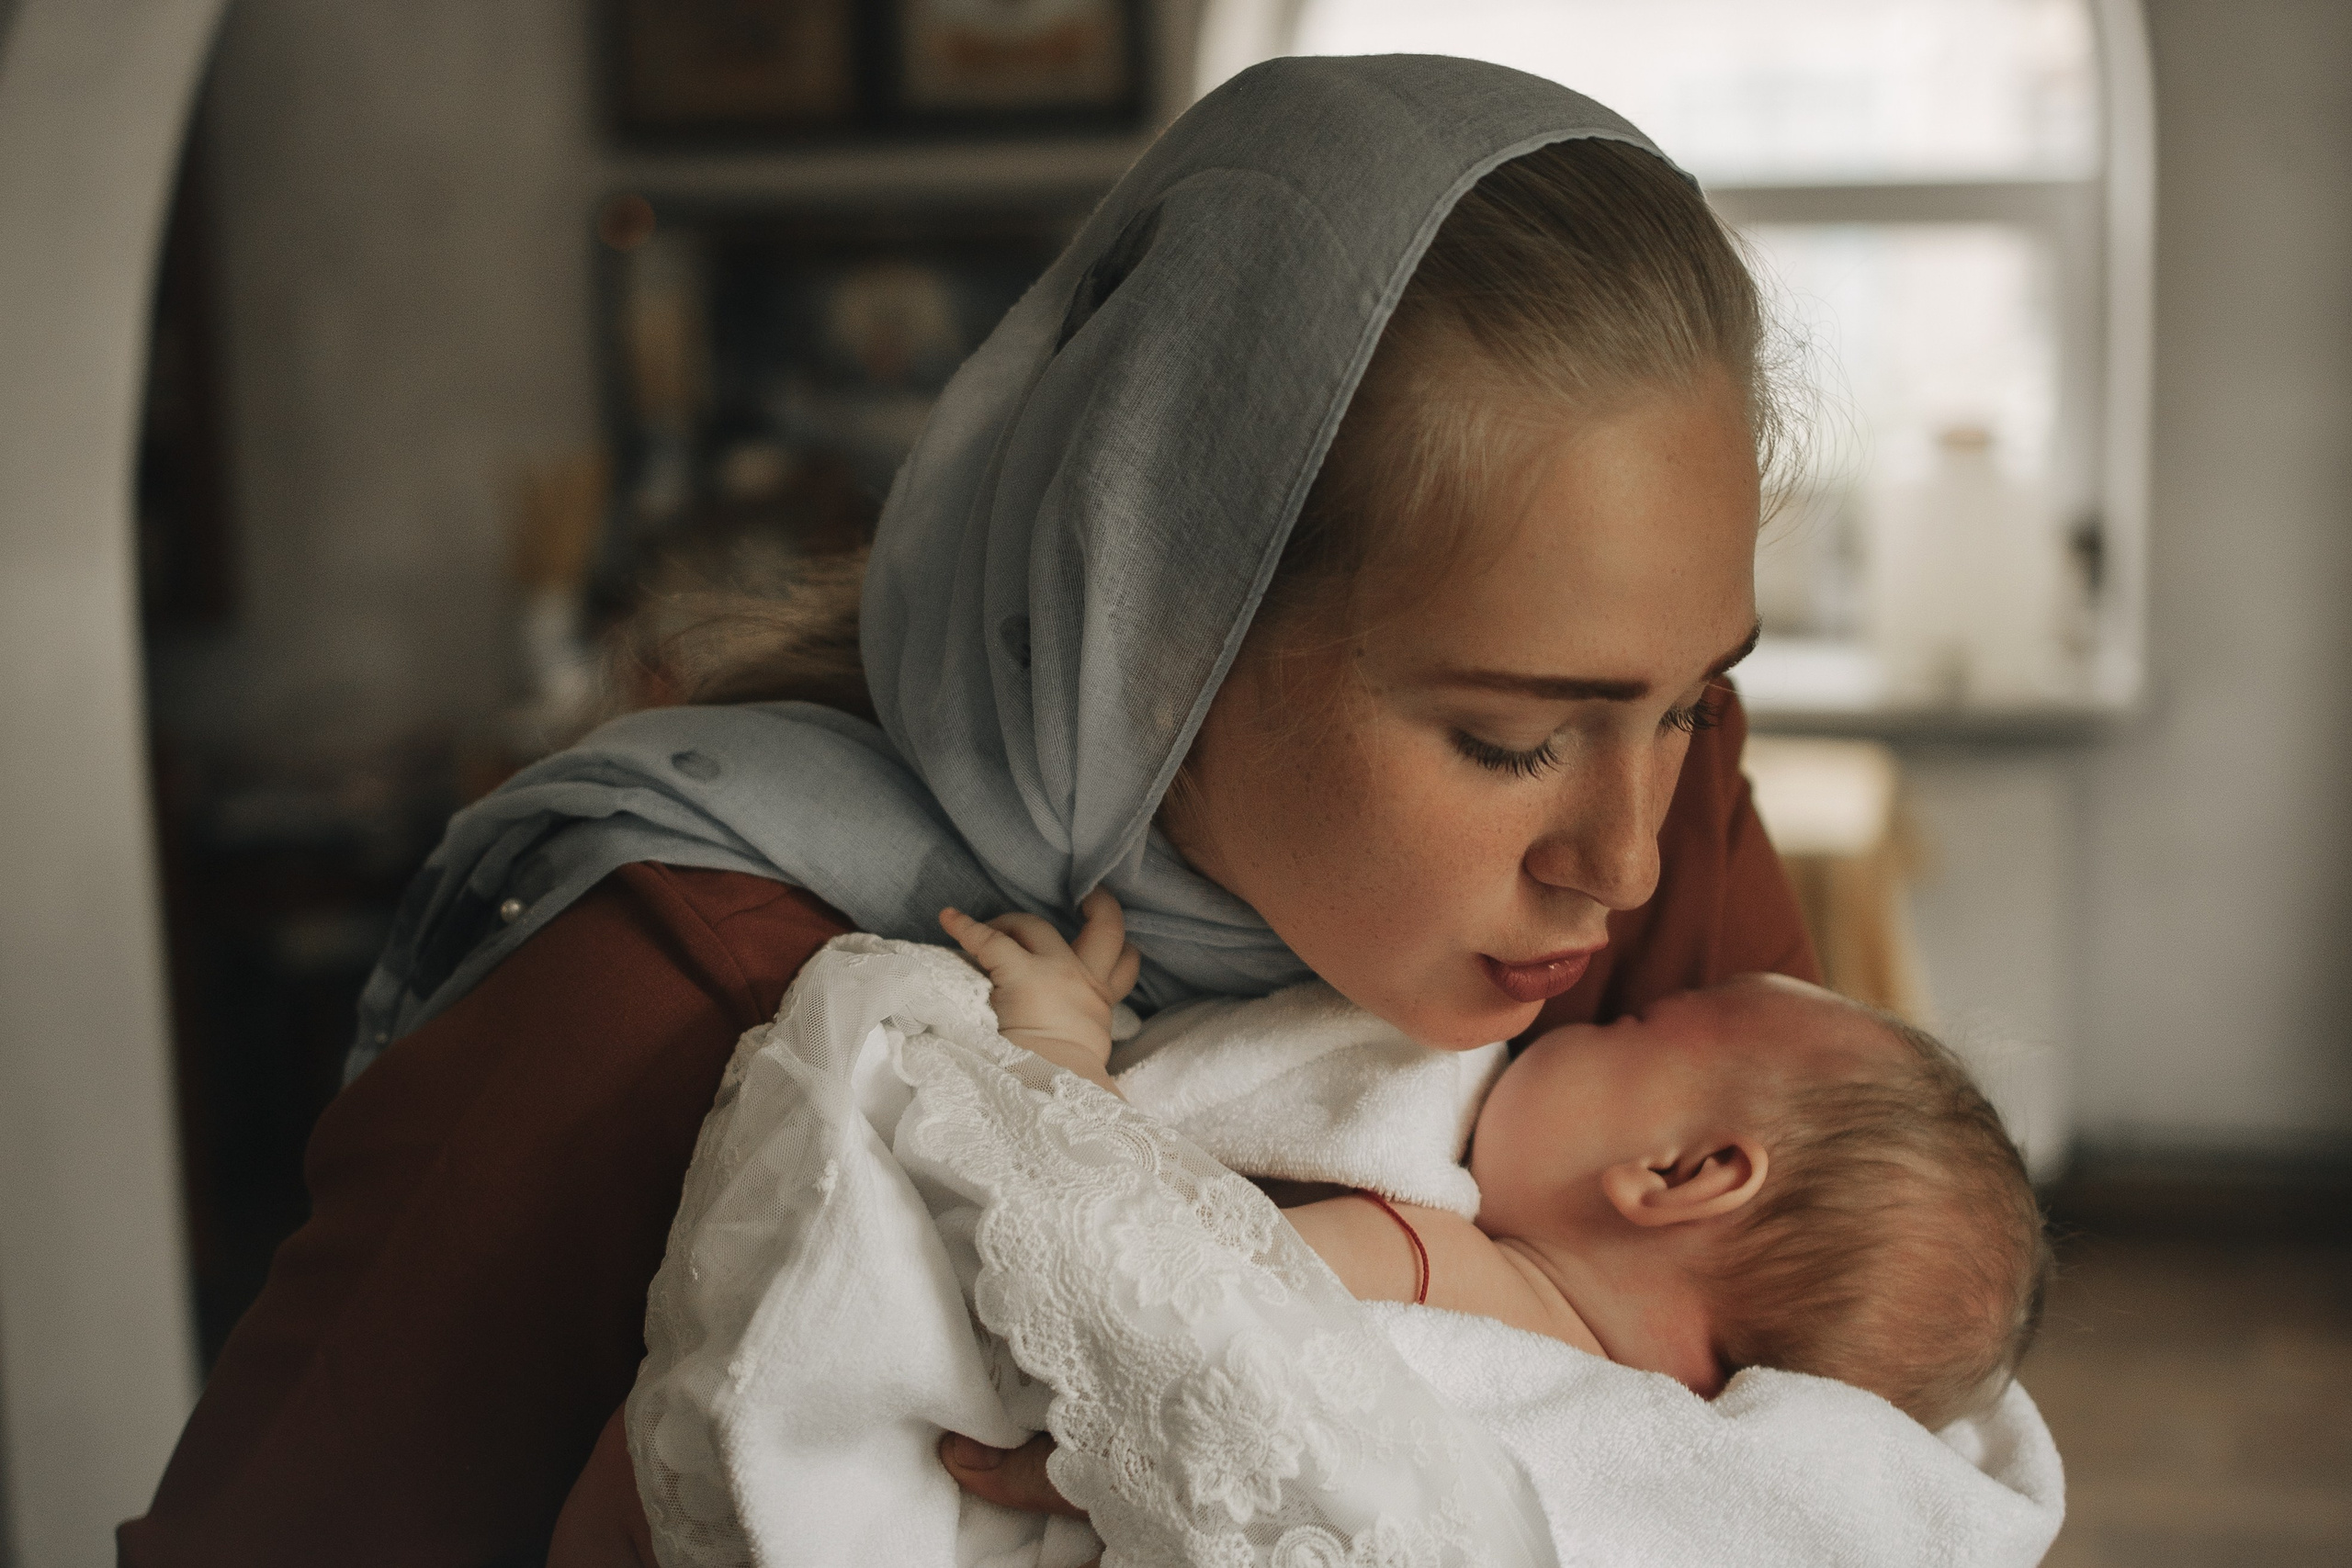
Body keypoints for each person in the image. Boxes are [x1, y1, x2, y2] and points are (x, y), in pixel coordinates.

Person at [121, 56, 1838, 1566]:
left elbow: (1868, 1438)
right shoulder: (665, 988)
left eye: (1691, 699)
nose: (1625, 858)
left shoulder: (1671, 866)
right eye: (1509, 739)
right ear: (1164, 630)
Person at [944, 894, 2050, 1437]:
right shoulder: (1620, 1423)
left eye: (1631, 1027)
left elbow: (1120, 1277)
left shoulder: (1421, 1262)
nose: (1570, 1021)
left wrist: (1057, 1044)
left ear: (1679, 1174)